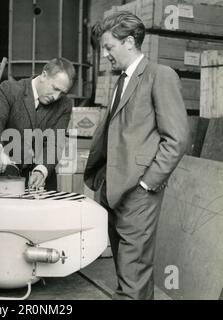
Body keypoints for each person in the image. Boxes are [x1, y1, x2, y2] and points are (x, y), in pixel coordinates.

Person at [84, 12, 190, 299]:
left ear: (129, 42)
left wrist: (147, 184)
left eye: (109, 47)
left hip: (138, 192)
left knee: (133, 273)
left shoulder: (160, 75)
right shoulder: (122, 81)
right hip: (115, 188)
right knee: (126, 271)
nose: (105, 54)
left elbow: (177, 138)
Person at [0, 58, 76, 190]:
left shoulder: (65, 105)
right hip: (3, 175)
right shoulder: (10, 90)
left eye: (62, 92)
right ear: (44, 75)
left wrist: (42, 170)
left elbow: (55, 142)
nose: (56, 97)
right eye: (55, 88)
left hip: (40, 181)